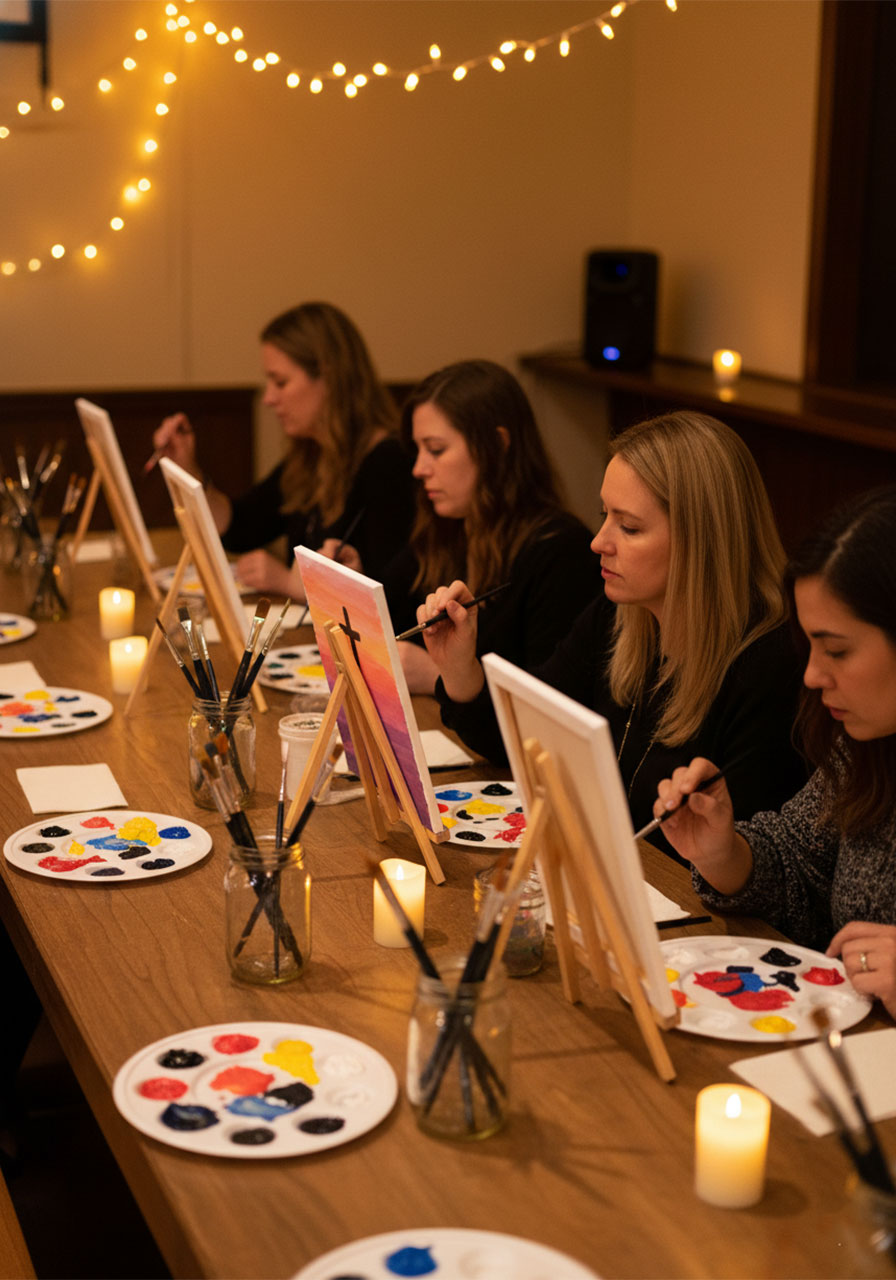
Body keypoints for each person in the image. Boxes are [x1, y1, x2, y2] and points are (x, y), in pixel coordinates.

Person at [422, 410, 807, 849]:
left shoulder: (770, 665)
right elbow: (523, 739)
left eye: (629, 527)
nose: (598, 542)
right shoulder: (619, 615)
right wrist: (459, 668)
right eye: (604, 515)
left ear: (701, 540)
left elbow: (742, 858)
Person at [652, 485, 896, 1017]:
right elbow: (797, 861)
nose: (812, 675)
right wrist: (722, 852)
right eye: (810, 647)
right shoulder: (868, 748)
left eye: (837, 650)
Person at [150, 301, 415, 600]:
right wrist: (187, 469)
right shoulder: (312, 453)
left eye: (280, 382)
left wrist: (289, 583)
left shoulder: (390, 463)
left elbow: (392, 601)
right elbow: (240, 528)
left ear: (329, 378)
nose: (269, 398)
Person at [370, 359, 602, 694]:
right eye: (418, 450)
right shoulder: (449, 527)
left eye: (436, 449)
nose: (418, 468)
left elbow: (550, 701)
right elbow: (382, 609)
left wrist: (441, 676)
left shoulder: (560, 550)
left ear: (496, 446)